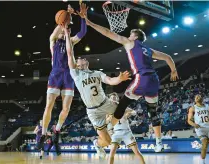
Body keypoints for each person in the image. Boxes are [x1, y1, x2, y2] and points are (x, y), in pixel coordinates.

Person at [85, 9, 178, 152]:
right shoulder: (148, 49)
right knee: (153, 111)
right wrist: (173, 71)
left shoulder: (130, 43)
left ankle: (109, 131)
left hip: (142, 78)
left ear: (135, 37)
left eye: (131, 34)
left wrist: (90, 23)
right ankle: (159, 143)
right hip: (154, 80)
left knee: (122, 104)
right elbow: (168, 57)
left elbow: (108, 33)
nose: (129, 36)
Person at [63, 19, 131, 158]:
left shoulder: (97, 73)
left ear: (86, 63)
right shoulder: (76, 74)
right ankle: (97, 144)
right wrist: (66, 33)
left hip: (105, 103)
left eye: (82, 58)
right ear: (78, 64)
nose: (81, 59)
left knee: (124, 108)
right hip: (92, 111)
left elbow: (110, 80)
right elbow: (70, 54)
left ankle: (110, 126)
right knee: (107, 141)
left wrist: (120, 79)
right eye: (79, 58)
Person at [39, 4, 88, 149]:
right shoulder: (53, 41)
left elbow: (83, 31)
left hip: (68, 75)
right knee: (49, 105)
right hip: (56, 73)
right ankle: (43, 132)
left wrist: (82, 18)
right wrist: (67, 15)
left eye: (65, 28)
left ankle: (57, 130)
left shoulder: (71, 42)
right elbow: (56, 31)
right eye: (62, 28)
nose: (63, 30)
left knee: (66, 109)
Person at [106, 94, 145, 164]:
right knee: (111, 153)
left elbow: (134, 112)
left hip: (127, 132)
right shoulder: (108, 111)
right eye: (112, 98)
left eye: (115, 98)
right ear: (110, 100)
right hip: (116, 133)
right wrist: (111, 117)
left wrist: (129, 113)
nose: (114, 99)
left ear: (117, 99)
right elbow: (106, 121)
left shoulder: (123, 107)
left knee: (136, 152)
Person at [188, 95, 209, 164]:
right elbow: (189, 120)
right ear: (194, 100)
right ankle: (203, 161)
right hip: (200, 129)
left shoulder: (208, 106)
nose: (197, 97)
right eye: (196, 97)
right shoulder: (192, 108)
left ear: (202, 98)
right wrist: (194, 124)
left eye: (199, 96)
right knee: (205, 143)